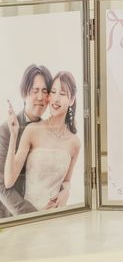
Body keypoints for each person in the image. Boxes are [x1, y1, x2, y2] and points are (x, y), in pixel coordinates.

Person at [4, 71, 81, 211]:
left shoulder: (74, 143)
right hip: (31, 215)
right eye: (53, 92)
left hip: (56, 216)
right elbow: (8, 182)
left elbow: (67, 180)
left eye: (62, 94)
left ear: (71, 100)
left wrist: (66, 190)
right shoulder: (33, 130)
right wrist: (14, 135)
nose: (56, 99)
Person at [0, 64, 52, 218]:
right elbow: (1, 186)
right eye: (35, 90)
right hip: (13, 218)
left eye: (45, 91)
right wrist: (34, 216)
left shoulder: (49, 130)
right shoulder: (5, 130)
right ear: (24, 93)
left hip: (47, 213)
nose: (40, 97)